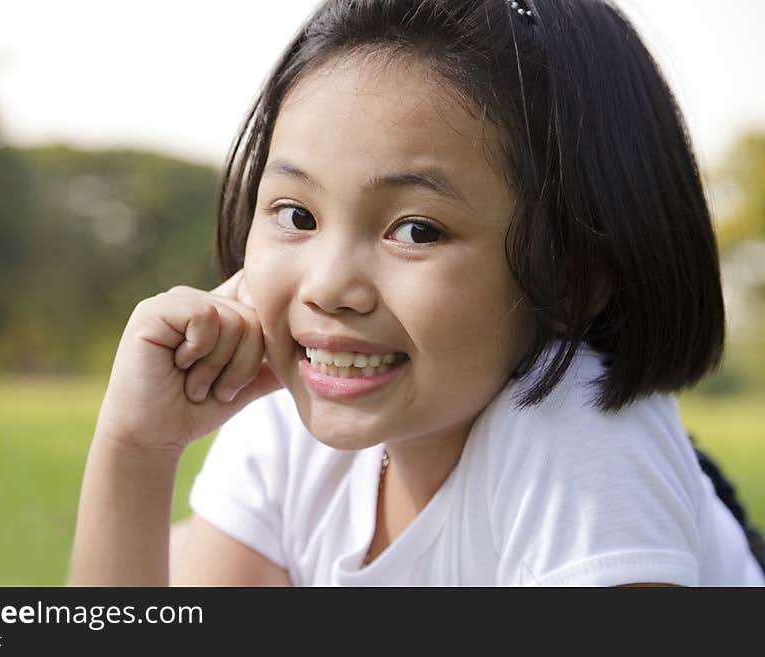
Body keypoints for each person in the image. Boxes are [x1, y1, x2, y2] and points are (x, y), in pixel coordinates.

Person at [68, 0, 765, 586]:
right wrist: (137, 447)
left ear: (573, 280)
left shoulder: (581, 441)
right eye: (296, 215)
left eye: (417, 229)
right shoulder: (286, 424)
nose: (329, 286)